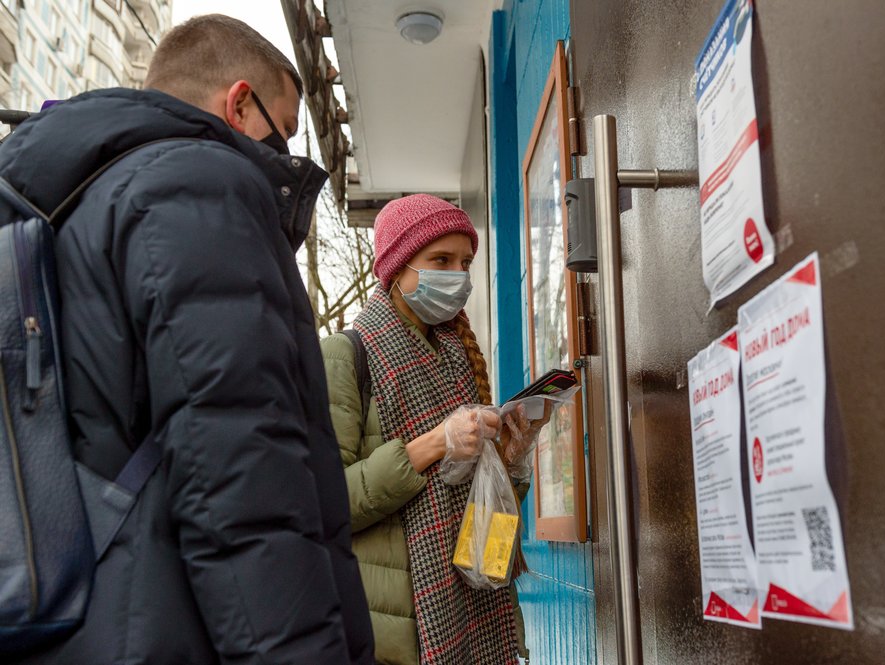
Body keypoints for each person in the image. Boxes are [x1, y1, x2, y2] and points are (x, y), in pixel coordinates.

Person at [0, 15, 373, 665]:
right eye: (282, 130)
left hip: (67, 617)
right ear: (238, 101)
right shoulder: (200, 183)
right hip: (164, 629)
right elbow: (243, 479)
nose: (284, 156)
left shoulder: (66, 202)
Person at [321, 194, 549, 665]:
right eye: (440, 260)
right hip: (397, 633)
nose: (457, 276)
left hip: (479, 610)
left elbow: (488, 507)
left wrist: (514, 458)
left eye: (465, 262)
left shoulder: (459, 357)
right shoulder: (344, 356)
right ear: (398, 268)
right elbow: (322, 505)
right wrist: (432, 446)